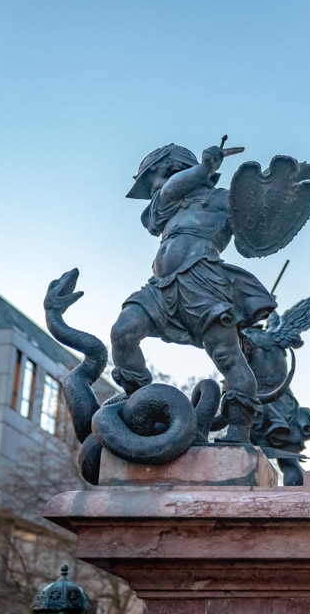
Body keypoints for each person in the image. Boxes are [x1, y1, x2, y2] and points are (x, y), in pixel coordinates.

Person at [110, 143, 276, 443]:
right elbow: (171, 190)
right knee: (123, 332)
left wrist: (279, 192)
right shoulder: (166, 204)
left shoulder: (225, 200)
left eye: (152, 180)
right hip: (160, 288)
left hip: (203, 281)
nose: (152, 189)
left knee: (227, 356)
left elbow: (260, 227)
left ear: (171, 168)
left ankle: (239, 431)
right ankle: (143, 408)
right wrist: (204, 169)